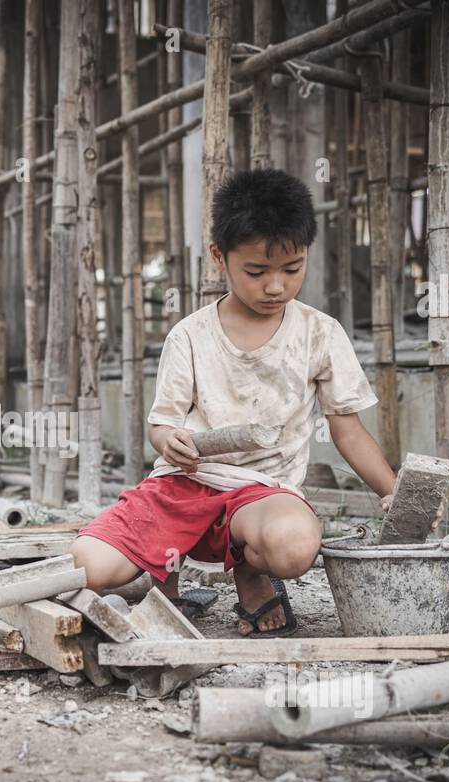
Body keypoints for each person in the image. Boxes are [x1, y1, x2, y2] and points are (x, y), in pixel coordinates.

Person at [71, 167, 403, 637]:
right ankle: (161, 572)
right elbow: (162, 424)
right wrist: (170, 441)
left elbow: (347, 429)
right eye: (256, 271)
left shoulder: (319, 334)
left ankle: (250, 571)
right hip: (183, 485)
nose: (275, 286)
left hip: (261, 496)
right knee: (89, 566)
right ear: (219, 257)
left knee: (292, 546)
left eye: (292, 269)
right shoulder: (189, 335)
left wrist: (392, 490)